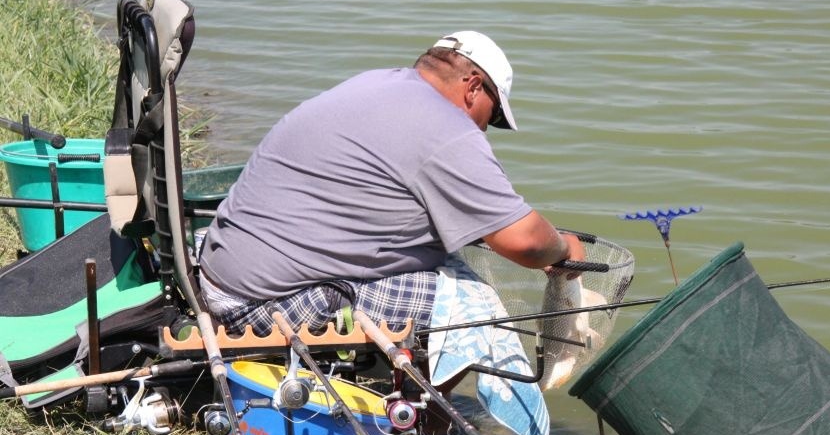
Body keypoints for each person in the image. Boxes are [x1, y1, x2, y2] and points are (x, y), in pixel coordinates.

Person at [199, 32, 583, 409]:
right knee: (472, 303)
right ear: (473, 87)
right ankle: (422, 424)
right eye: (493, 114)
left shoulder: (375, 84)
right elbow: (526, 242)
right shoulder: (446, 127)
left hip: (219, 266)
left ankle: (401, 393)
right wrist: (564, 247)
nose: (484, 127)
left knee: (444, 266)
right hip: (262, 304)